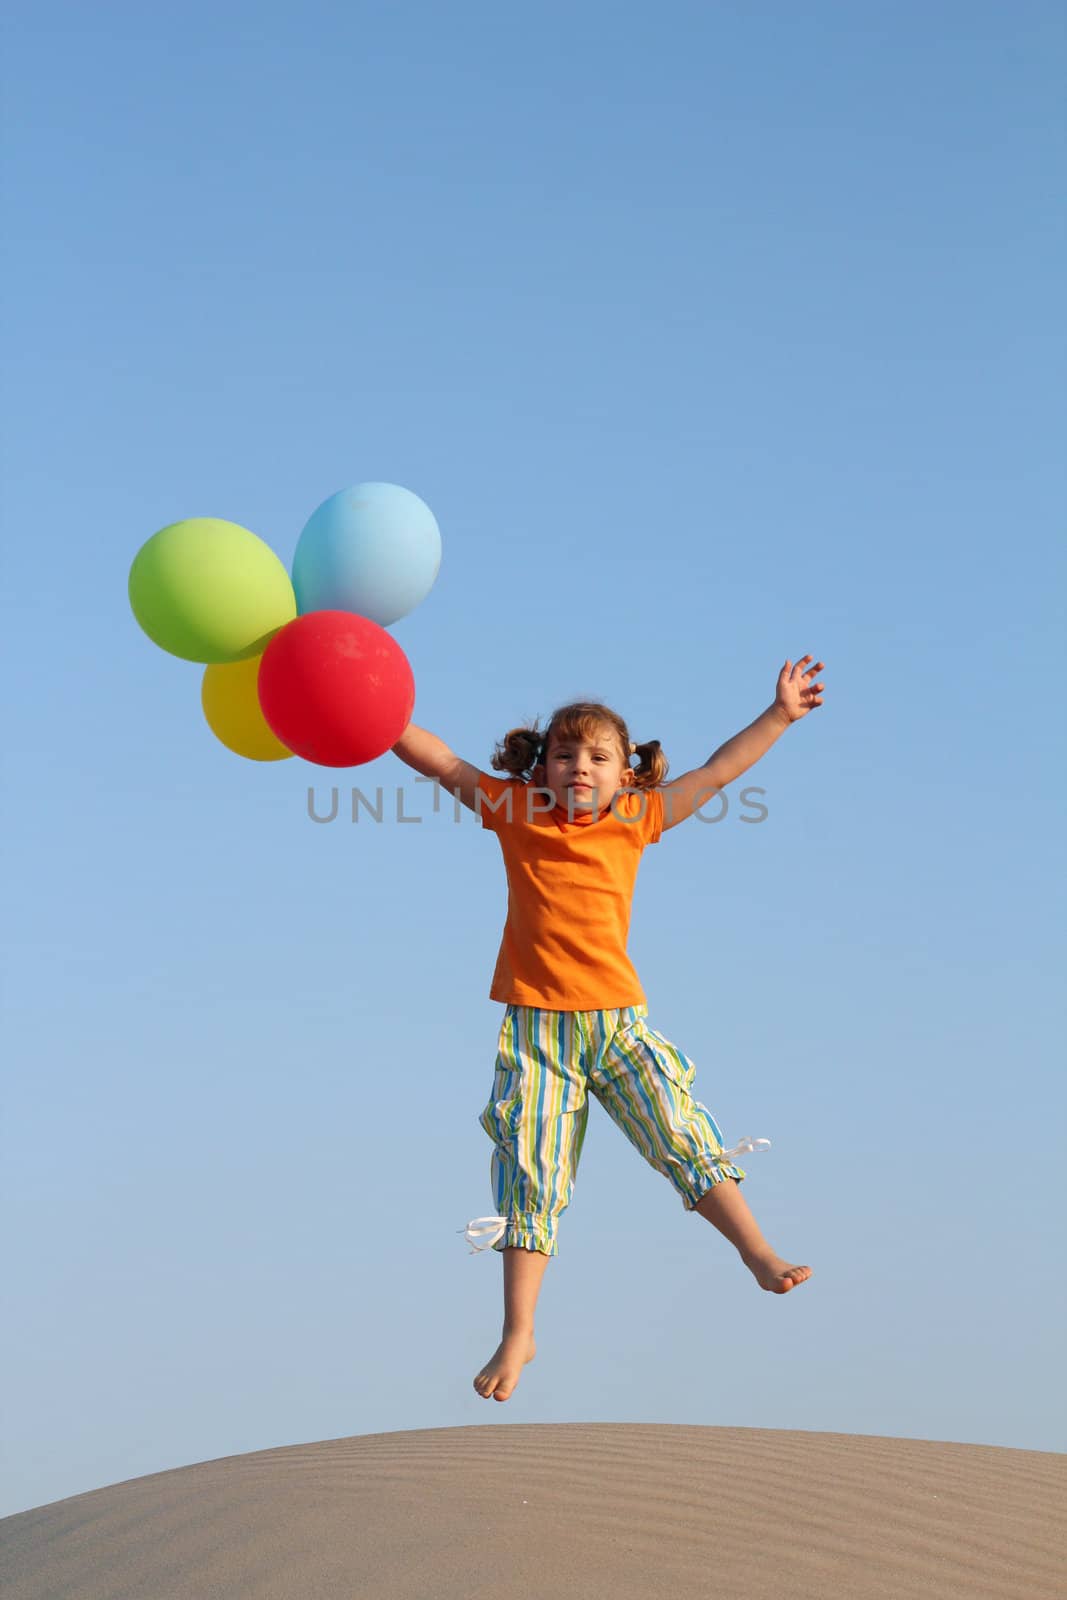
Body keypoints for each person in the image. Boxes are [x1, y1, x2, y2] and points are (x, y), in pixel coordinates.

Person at [391, 655, 825, 1403]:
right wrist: (372, 714)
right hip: (537, 1034)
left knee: (679, 1134)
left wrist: (780, 715)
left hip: (618, 1024)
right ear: (541, 768)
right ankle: (518, 1331)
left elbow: (718, 772)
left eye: (598, 757)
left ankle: (756, 1251)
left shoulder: (637, 818)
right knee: (531, 1174)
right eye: (564, 755)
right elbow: (441, 762)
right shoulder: (515, 811)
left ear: (628, 774)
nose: (580, 768)